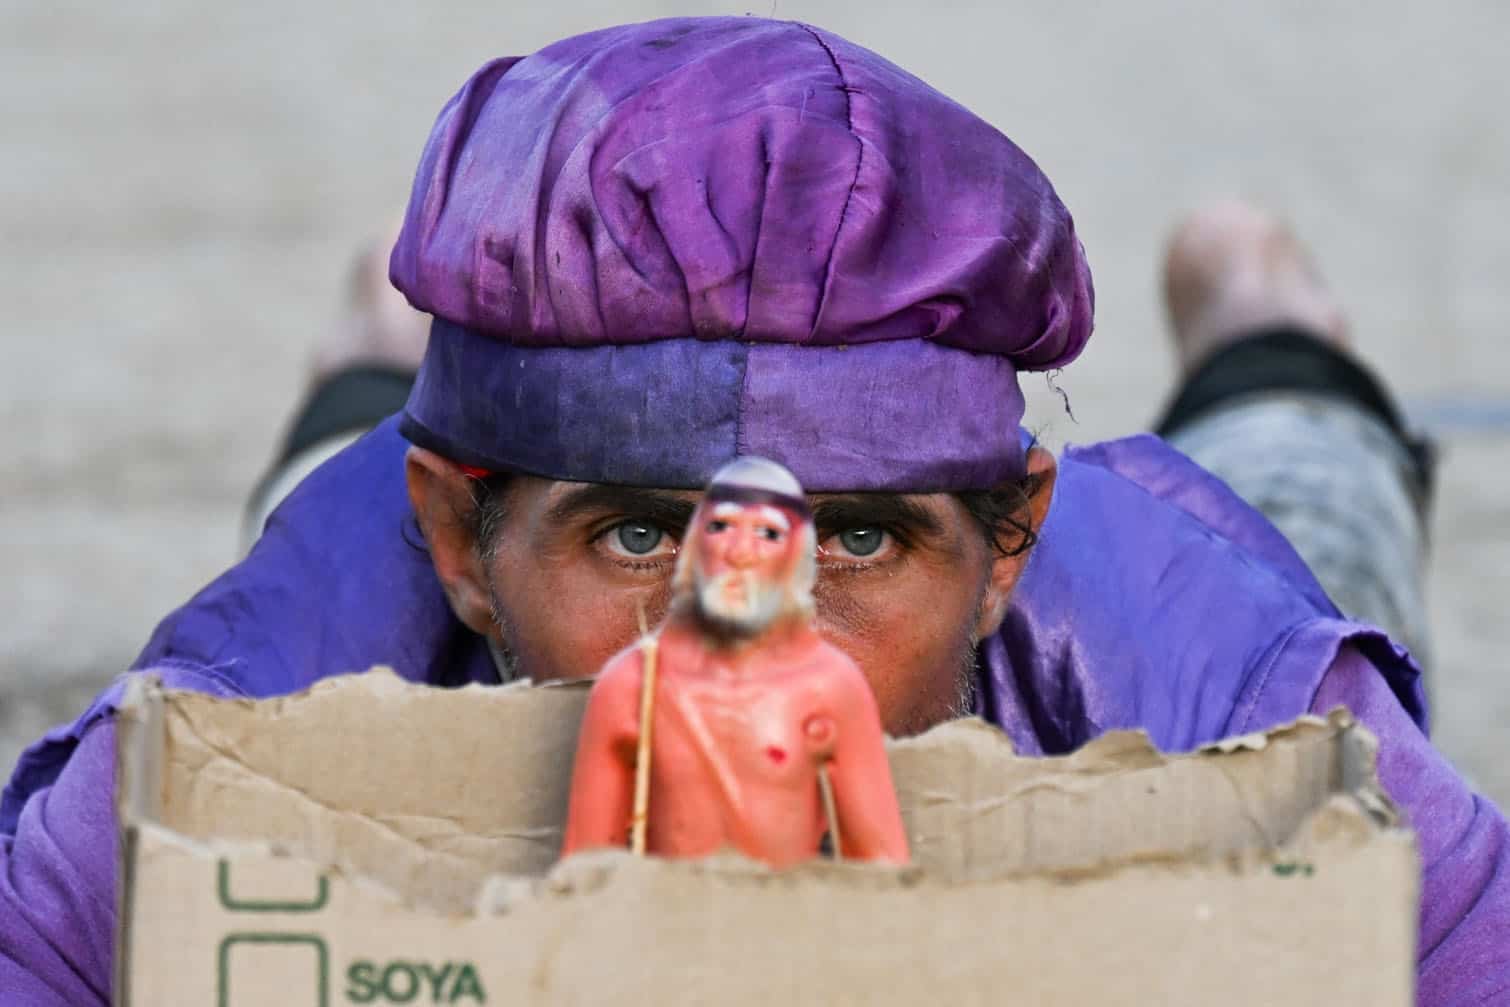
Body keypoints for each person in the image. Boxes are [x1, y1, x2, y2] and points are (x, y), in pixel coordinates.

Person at [0, 17, 1504, 1005]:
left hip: (1156, 574)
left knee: (1307, 455)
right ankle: (365, 361)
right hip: (389, 530)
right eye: (637, 534)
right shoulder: (244, 722)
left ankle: (1252, 293)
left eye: (857, 537)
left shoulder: (1238, 699)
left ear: (1001, 548)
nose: (755, 609)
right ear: (465, 545)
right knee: (324, 462)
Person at [561, 457, 910, 866]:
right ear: (695, 546)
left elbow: (882, 864)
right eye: (721, 527)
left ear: (796, 556)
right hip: (668, 918)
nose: (740, 553)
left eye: (767, 533)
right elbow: (584, 867)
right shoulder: (633, 682)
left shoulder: (829, 684)